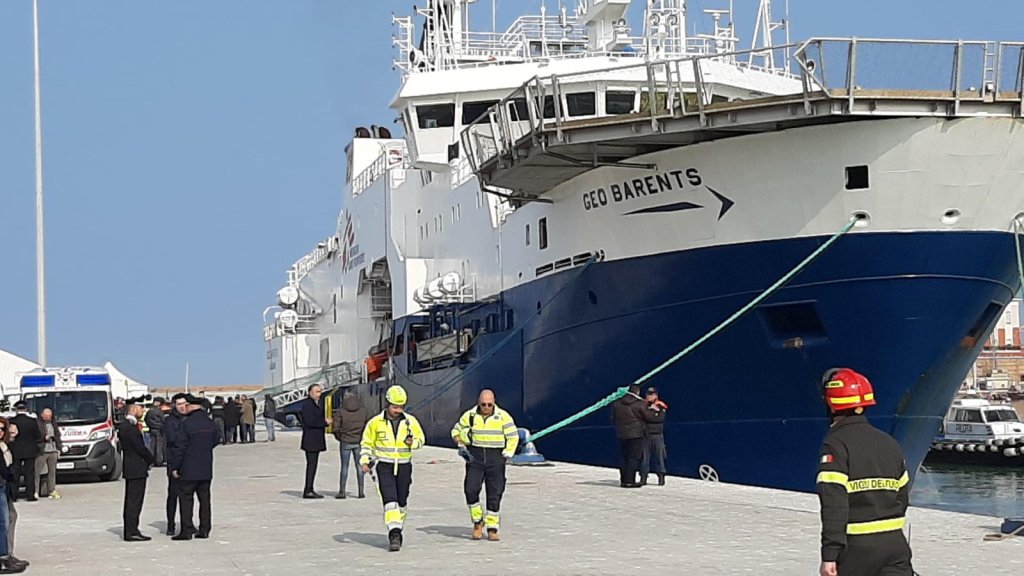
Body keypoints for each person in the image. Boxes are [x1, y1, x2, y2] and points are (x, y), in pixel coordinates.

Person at [817, 368, 914, 576]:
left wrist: (829, 555)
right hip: (895, 545)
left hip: (856, 549)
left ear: (831, 404)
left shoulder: (835, 445)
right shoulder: (889, 443)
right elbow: (902, 497)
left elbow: (834, 505)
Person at [360, 385, 425, 552]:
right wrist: (365, 461)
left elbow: (421, 439)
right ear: (387, 404)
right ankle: (394, 533)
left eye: (401, 407)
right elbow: (367, 443)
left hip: (404, 467)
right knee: (390, 501)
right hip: (384, 466)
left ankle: (398, 526)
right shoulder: (375, 423)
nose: (398, 410)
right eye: (395, 407)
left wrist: (413, 443)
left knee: (401, 502)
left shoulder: (410, 422)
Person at [450, 389, 519, 541]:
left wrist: (507, 454)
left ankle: (492, 527)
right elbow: (455, 431)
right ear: (478, 403)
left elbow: (513, 436)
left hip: (496, 457)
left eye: (489, 404)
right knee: (471, 489)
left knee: (495, 493)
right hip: (476, 456)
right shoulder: (470, 416)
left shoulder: (503, 417)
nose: (486, 407)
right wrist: (460, 443)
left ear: (494, 403)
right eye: (483, 404)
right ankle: (477, 521)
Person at [168, 394, 220, 540]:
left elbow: (180, 447)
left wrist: (175, 467)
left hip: (188, 468)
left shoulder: (186, 423)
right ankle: (204, 529)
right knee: (205, 500)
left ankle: (186, 530)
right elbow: (216, 439)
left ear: (191, 406)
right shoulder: (209, 422)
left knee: (186, 499)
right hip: (205, 468)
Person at [118, 401, 156, 542]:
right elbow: (139, 447)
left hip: (133, 467)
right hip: (135, 468)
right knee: (134, 501)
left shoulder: (128, 426)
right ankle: (131, 531)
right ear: (133, 409)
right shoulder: (129, 428)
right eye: (141, 408)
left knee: (133, 501)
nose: (143, 410)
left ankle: (132, 529)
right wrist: (151, 458)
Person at [0, 419, 28, 572]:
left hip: (5, 486)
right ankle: (4, 557)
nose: (0, 431)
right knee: (3, 521)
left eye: (2, 428)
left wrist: (14, 437)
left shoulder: (4, 446)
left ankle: (8, 554)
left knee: (11, 516)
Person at [331, 390, 369, 499]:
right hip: (358, 441)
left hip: (345, 441)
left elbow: (335, 428)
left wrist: (341, 438)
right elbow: (367, 426)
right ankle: (361, 492)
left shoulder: (340, 411)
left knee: (344, 466)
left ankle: (342, 491)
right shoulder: (363, 410)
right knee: (359, 466)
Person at [610, 384, 647, 488]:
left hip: (621, 434)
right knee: (633, 458)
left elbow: (613, 418)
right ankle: (630, 481)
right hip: (636, 434)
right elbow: (646, 417)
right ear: (637, 392)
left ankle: (623, 480)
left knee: (624, 457)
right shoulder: (639, 404)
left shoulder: (617, 403)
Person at [164, 393, 189, 536]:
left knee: (187, 495)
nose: (182, 407)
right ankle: (171, 524)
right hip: (174, 461)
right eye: (179, 404)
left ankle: (187, 524)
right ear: (174, 405)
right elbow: (172, 439)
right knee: (173, 495)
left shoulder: (189, 418)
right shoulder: (170, 420)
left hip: (189, 462)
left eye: (184, 404)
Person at [300, 384, 329, 498]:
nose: (319, 394)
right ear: (310, 392)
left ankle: (310, 488)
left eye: (320, 392)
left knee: (314, 465)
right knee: (311, 465)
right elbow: (310, 422)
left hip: (316, 439)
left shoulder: (318, 403)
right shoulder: (307, 405)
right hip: (310, 440)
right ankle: (308, 490)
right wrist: (325, 423)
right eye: (317, 392)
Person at [8, 403, 40, 502]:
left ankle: (13, 496)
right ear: (26, 409)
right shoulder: (32, 421)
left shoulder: (10, 421)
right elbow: (37, 436)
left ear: (16, 409)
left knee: (15, 473)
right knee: (29, 473)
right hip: (30, 451)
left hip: (15, 451)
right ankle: (30, 495)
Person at [639, 386, 668, 486]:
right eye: (648, 394)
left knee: (659, 456)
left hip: (657, 435)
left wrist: (650, 413)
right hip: (645, 435)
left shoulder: (661, 406)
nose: (649, 396)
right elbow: (644, 417)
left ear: (656, 395)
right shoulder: (643, 405)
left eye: (651, 394)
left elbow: (659, 418)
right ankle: (643, 477)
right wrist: (652, 412)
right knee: (644, 457)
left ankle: (661, 476)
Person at [34, 408, 63, 499]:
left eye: (49, 417)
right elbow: (35, 436)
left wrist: (59, 448)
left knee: (52, 472)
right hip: (42, 450)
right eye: (46, 416)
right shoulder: (37, 424)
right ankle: (35, 491)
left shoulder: (53, 423)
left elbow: (58, 435)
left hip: (53, 450)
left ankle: (52, 490)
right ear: (42, 415)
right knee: (37, 472)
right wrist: (44, 437)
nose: (47, 418)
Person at [144, 398, 167, 466]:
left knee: (152, 446)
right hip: (159, 430)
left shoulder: (149, 411)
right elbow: (163, 420)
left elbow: (146, 419)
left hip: (152, 429)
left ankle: (151, 460)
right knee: (159, 446)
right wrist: (161, 426)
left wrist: (150, 425)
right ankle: (158, 461)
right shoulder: (159, 411)